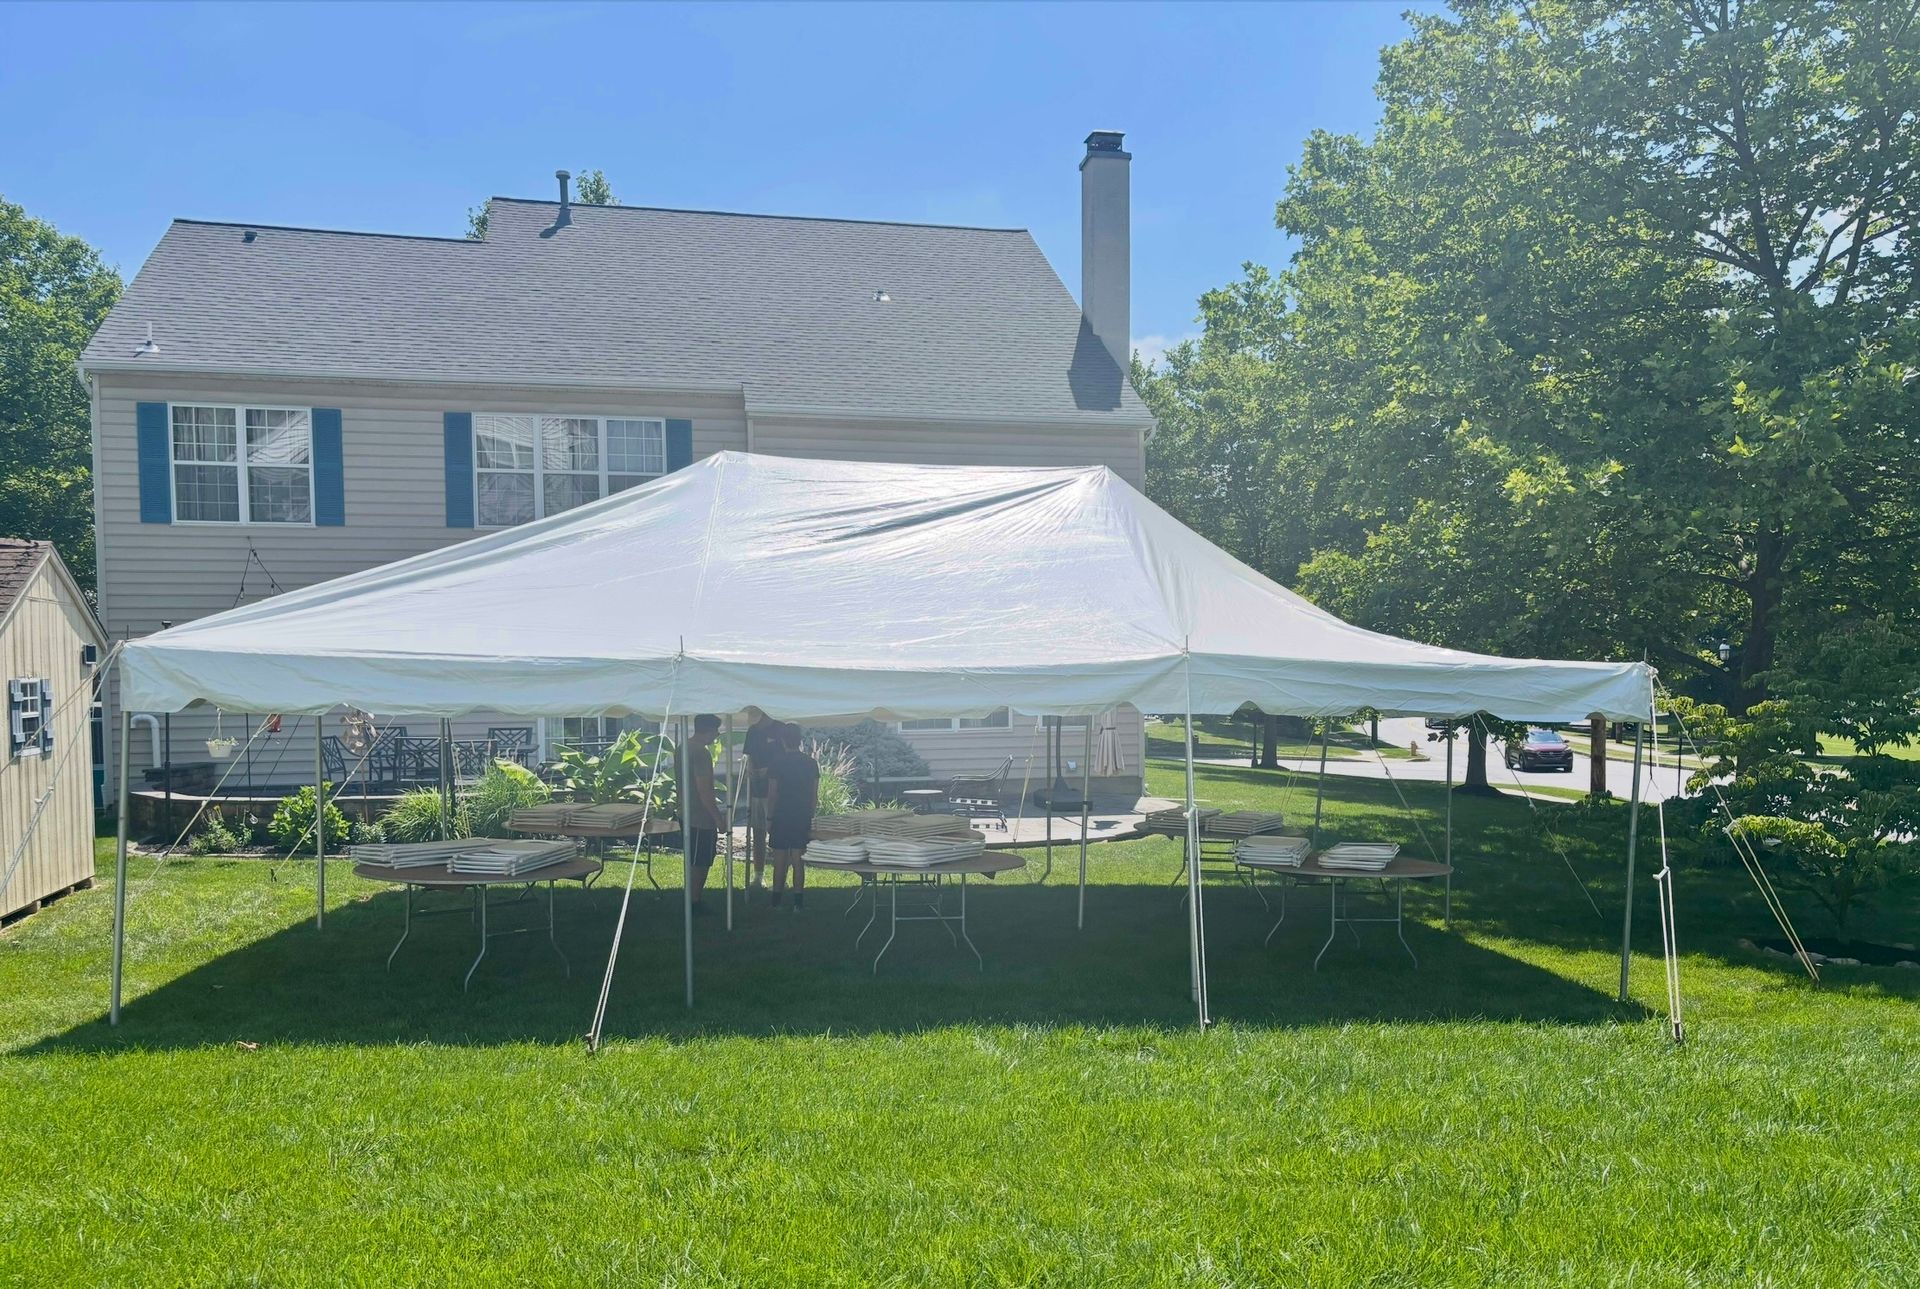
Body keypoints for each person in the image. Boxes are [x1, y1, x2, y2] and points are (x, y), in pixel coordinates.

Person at [763, 722, 820, 909]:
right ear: (800, 740)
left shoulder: (776, 763)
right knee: (798, 859)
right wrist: (810, 816)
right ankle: (798, 901)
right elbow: (814, 795)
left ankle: (776, 899)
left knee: (779, 859)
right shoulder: (811, 763)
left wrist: (769, 818)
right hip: (801, 815)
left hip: (781, 814)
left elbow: (772, 795)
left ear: (783, 740)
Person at [684, 714, 726, 913]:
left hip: (685, 811)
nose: (717, 735)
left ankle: (692, 898)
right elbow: (704, 790)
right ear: (708, 730)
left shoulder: (682, 748)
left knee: (693, 858)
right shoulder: (701, 753)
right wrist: (718, 818)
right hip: (700, 815)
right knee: (701, 861)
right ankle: (694, 901)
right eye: (716, 731)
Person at [742, 705, 780, 895]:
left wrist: (768, 771)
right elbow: (749, 756)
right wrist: (752, 771)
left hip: (777, 791)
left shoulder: (780, 729)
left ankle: (781, 877)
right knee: (758, 832)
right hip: (757, 789)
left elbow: (784, 759)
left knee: (779, 833)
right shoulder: (752, 731)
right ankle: (758, 875)